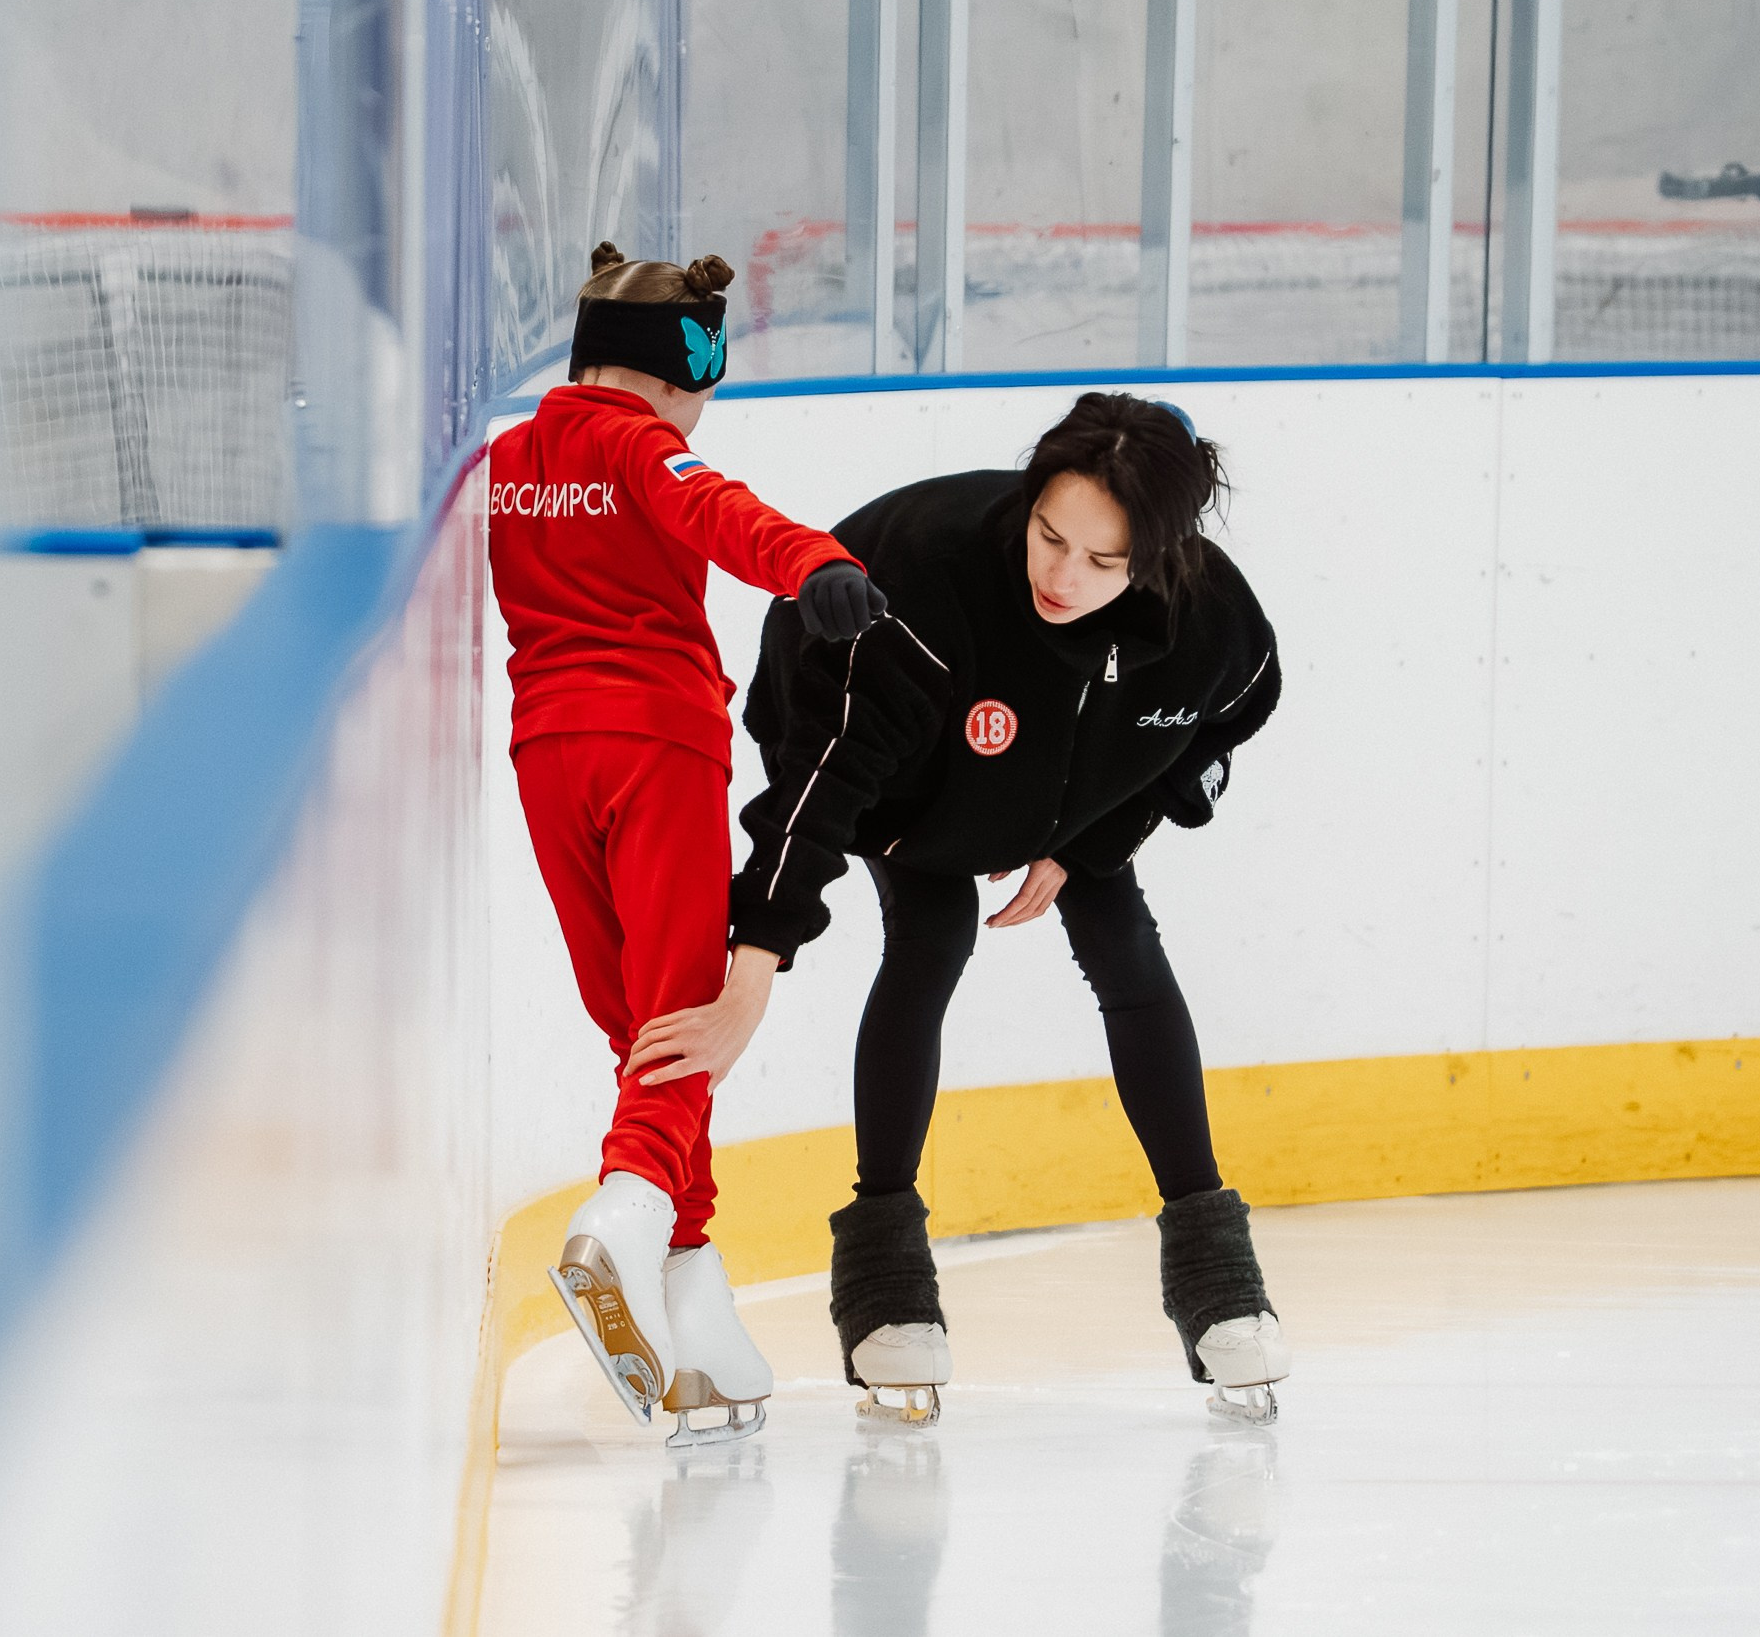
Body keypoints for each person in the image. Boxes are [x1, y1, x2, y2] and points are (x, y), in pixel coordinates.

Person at [628, 393, 1289, 1425]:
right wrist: (752, 963)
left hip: (1072, 781)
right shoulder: (922, 587)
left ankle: (1217, 1276)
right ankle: (886, 1279)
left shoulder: (1212, 629)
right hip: (898, 772)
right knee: (930, 939)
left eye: (1102, 563)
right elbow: (821, 787)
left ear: (1158, 559)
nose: (1061, 577)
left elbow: (1227, 718)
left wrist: (1085, 841)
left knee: (1122, 940)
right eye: (1048, 535)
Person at [488, 242, 890, 1446]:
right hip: (656, 745)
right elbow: (715, 510)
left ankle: (697, 1318)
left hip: (546, 754)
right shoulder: (640, 443)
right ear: (682, 370)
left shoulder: (508, 462)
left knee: (638, 1024)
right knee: (677, 1009)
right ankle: (621, 1216)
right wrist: (816, 563)